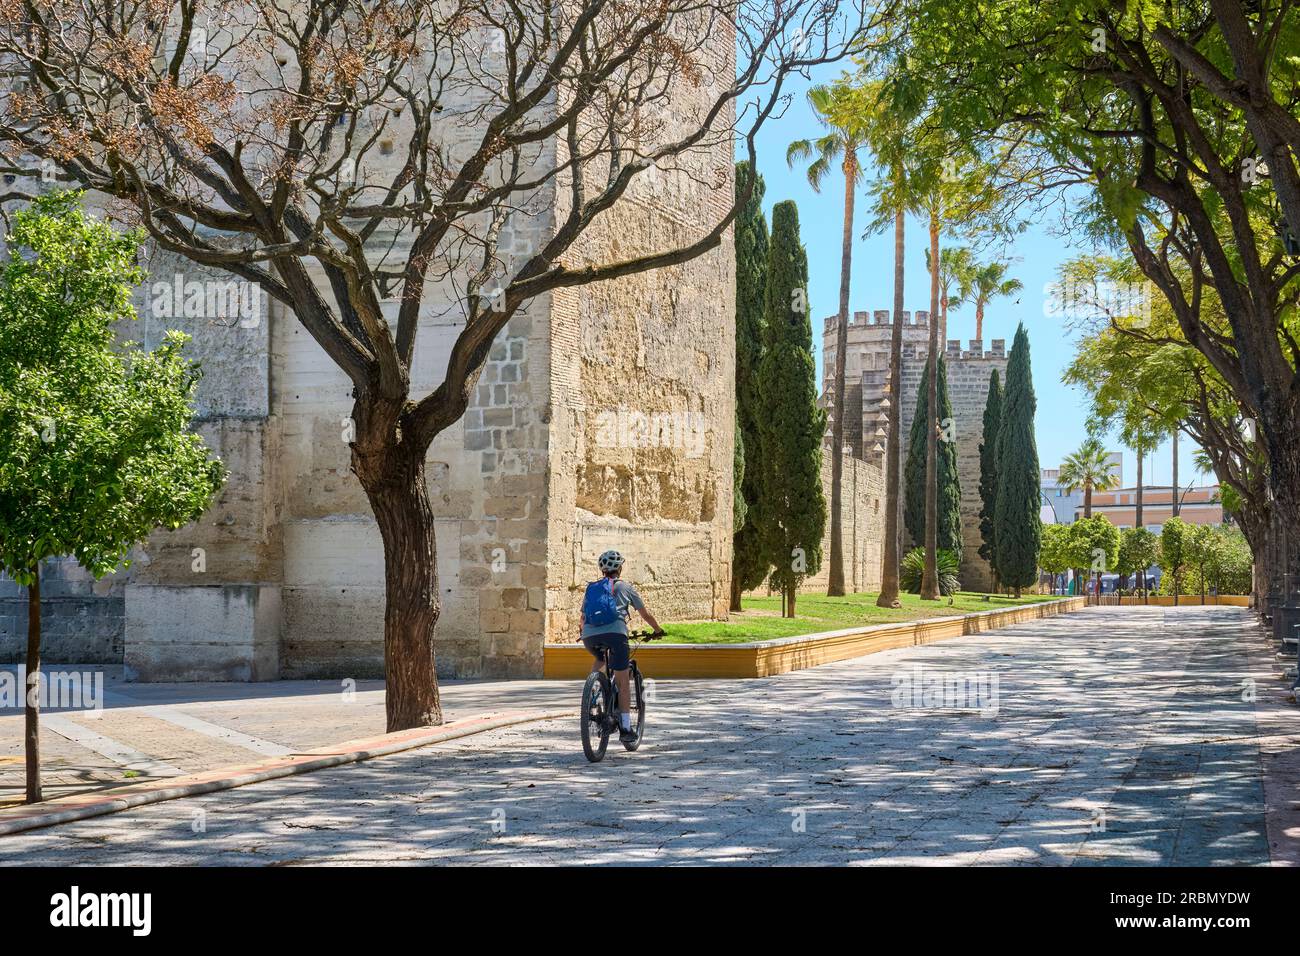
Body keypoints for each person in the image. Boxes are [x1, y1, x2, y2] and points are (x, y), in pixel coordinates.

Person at [579, 550, 663, 743]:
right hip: (616, 634)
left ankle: (592, 692)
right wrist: (658, 630)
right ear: (620, 568)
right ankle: (625, 728)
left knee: (600, 658)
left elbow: (582, 618)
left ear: (602, 570)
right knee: (623, 682)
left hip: (590, 636)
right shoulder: (626, 587)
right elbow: (645, 615)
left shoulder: (591, 589)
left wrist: (585, 633)